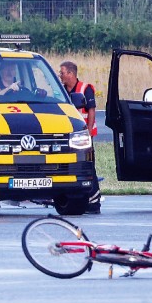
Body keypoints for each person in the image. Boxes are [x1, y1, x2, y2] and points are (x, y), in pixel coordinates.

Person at [59, 61, 101, 214]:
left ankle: (94, 202)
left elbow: (91, 111)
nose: (60, 75)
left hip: (83, 136)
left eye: (62, 72)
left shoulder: (85, 89)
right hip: (68, 136)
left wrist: (88, 132)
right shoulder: (61, 91)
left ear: (71, 74)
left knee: (88, 168)